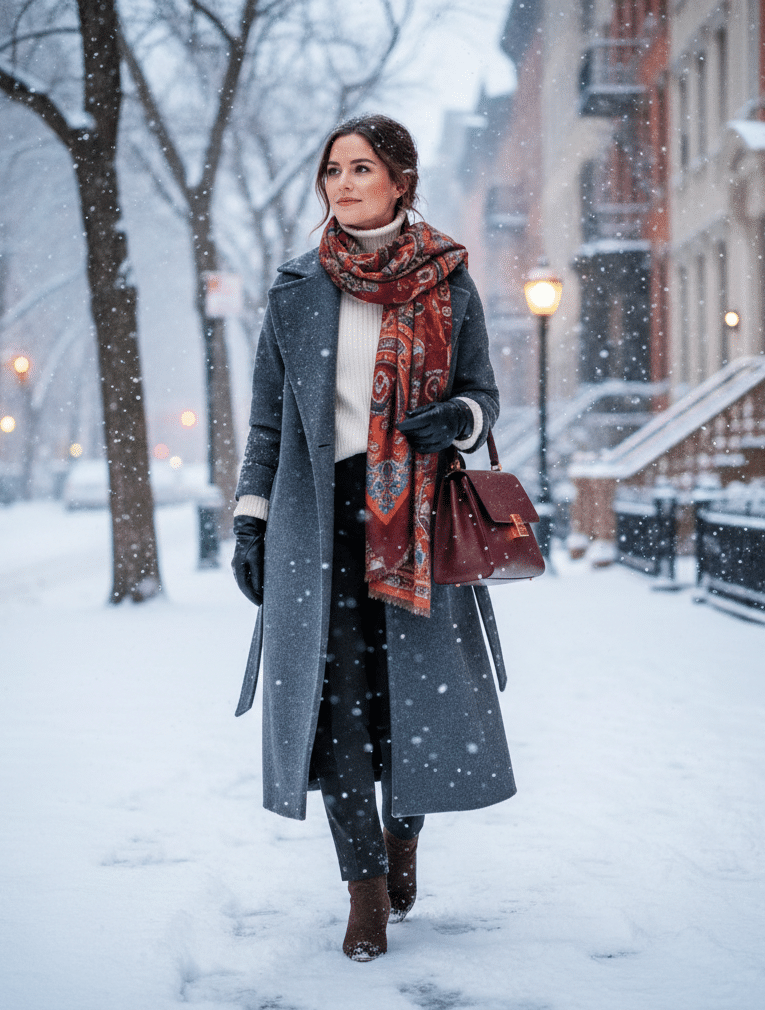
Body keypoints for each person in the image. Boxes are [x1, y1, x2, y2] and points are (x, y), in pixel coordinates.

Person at [230, 114, 515, 961]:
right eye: (332, 170)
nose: (343, 183)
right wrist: (250, 525)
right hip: (315, 523)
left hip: (417, 516)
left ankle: (403, 840)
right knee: (333, 711)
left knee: (412, 700)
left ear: (401, 180)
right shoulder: (295, 286)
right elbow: (267, 425)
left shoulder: (448, 281)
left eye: (362, 168)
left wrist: (453, 421)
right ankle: (363, 888)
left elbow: (483, 398)